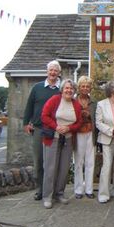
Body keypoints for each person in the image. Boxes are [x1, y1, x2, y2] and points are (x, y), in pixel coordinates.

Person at [23, 60, 61, 201]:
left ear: (59, 73)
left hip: (56, 129)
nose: (52, 73)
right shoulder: (37, 88)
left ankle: (54, 190)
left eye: (55, 70)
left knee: (53, 162)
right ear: (47, 71)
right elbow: (29, 106)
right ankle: (40, 189)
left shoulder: (61, 89)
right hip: (39, 129)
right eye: (50, 70)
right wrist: (26, 123)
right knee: (39, 160)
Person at [41, 79, 83, 209]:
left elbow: (79, 122)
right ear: (62, 89)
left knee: (64, 168)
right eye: (66, 88)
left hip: (68, 139)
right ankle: (47, 196)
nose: (69, 90)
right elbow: (44, 116)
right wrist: (56, 126)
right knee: (50, 168)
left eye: (71, 89)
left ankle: (59, 193)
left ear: (74, 91)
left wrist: (69, 128)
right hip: (53, 137)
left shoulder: (76, 105)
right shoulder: (54, 100)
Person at [73, 76, 97, 199]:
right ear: (79, 87)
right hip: (78, 133)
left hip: (90, 134)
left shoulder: (93, 102)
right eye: (83, 86)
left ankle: (89, 189)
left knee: (90, 162)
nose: (85, 88)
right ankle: (78, 189)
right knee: (78, 162)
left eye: (87, 86)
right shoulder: (73, 101)